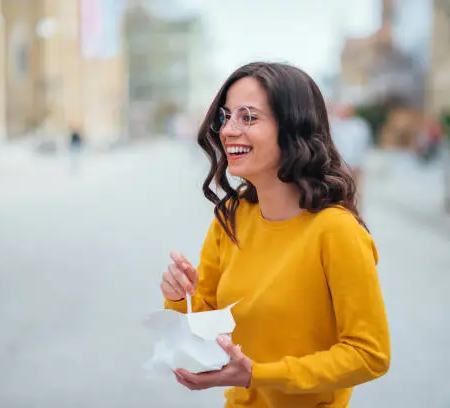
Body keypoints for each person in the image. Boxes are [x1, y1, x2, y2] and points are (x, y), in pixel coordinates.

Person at [160, 62, 390, 407]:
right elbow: (206, 328)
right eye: (225, 117)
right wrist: (182, 297)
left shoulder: (336, 230)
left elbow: (369, 354)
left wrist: (259, 375)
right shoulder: (231, 217)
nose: (229, 130)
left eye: (248, 117)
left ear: (292, 129)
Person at [329, 103, 373, 196]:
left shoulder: (360, 125)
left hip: (356, 164)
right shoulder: (335, 124)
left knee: (356, 191)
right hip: (340, 163)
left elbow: (365, 144)